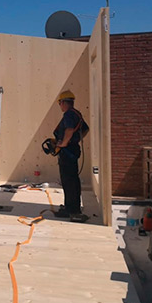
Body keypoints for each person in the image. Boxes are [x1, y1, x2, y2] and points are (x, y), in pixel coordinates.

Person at [52, 90, 89, 223]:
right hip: (73, 150)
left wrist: (64, 143)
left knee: (68, 181)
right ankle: (72, 206)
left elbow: (68, 129)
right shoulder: (76, 114)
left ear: (63, 102)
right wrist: (76, 140)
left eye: (60, 104)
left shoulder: (68, 114)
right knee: (73, 180)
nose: (60, 106)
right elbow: (85, 129)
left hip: (67, 152)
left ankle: (71, 209)